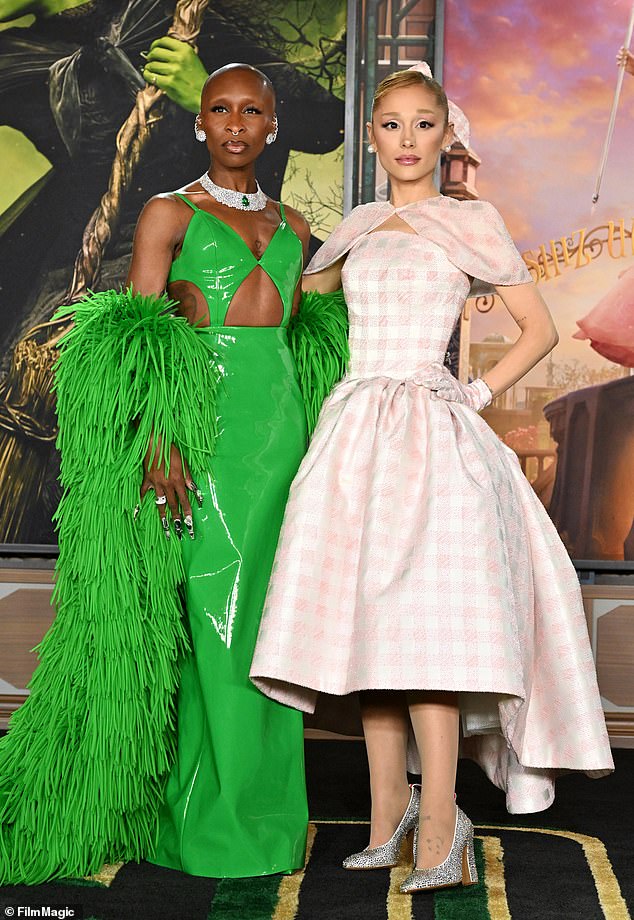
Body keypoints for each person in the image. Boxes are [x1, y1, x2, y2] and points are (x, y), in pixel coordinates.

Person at [250, 63, 614, 894]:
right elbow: (293, 304)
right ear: (372, 135)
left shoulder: (472, 221)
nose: (407, 140)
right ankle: (388, 819)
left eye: (424, 124)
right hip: (354, 435)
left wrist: (474, 392)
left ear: (446, 136)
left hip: (434, 435)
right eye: (391, 125)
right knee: (370, 630)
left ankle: (443, 828)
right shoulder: (359, 224)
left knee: (428, 637)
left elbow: (540, 328)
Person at [0, 61, 349, 885]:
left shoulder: (299, 226)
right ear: (200, 124)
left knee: (270, 628)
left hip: (283, 440)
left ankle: (264, 819)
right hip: (203, 435)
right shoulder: (169, 212)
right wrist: (162, 440)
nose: (234, 123)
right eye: (218, 109)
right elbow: (140, 335)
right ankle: (204, 825)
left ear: (272, 126)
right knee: (214, 624)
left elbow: (311, 343)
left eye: (250, 111)